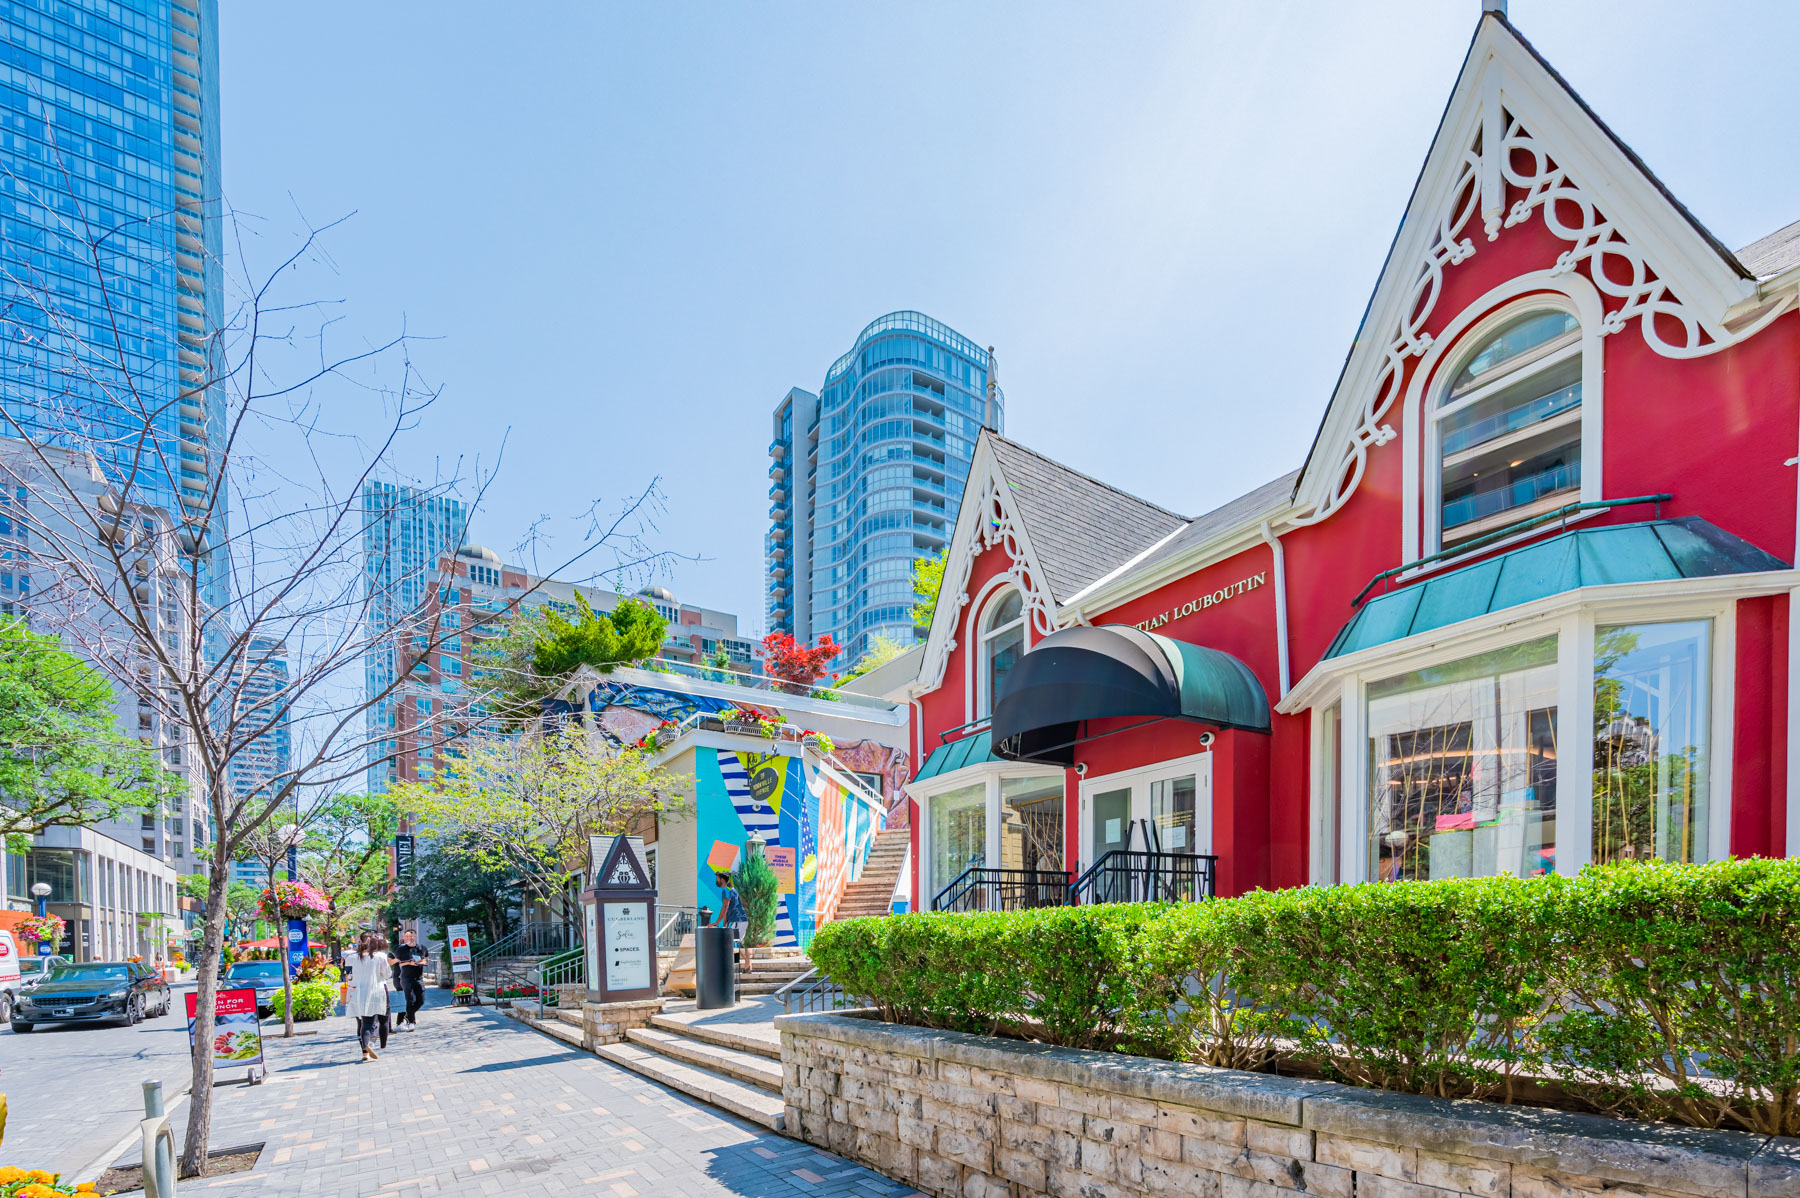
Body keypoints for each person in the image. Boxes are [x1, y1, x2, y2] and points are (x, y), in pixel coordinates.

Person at [343, 931, 392, 1061]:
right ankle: (374, 1044)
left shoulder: (350, 958)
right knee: (381, 1019)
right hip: (377, 990)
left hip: (357, 992)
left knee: (363, 1022)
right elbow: (387, 974)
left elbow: (348, 975)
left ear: (360, 941)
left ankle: (365, 1051)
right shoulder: (380, 956)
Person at [392, 927, 428, 1031]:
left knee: (421, 1001)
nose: (409, 938)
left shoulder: (422, 948)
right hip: (406, 978)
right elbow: (398, 963)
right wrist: (409, 963)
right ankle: (411, 1022)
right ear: (404, 937)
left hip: (419, 978)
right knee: (410, 1000)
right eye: (407, 936)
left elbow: (426, 959)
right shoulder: (400, 949)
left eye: (411, 935)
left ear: (415, 936)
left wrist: (423, 962)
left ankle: (406, 1017)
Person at [713, 872, 747, 942]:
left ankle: (738, 953)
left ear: (722, 880)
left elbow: (725, 906)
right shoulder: (734, 890)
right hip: (739, 920)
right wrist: (725, 922)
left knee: (732, 943)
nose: (717, 882)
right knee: (735, 943)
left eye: (717, 879)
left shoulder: (727, 890)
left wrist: (717, 922)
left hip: (738, 920)